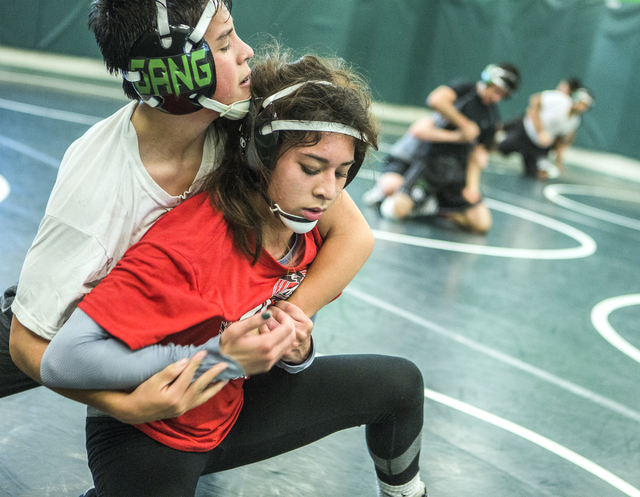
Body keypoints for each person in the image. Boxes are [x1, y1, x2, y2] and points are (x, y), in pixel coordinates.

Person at [39, 49, 428, 497]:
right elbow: (62, 361)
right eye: (311, 168)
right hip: (152, 431)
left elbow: (354, 242)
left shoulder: (302, 217)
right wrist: (219, 356)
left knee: (400, 385)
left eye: (343, 173)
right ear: (261, 155)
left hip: (229, 406)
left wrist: (293, 342)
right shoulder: (190, 246)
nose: (327, 190)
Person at [4, 0, 375, 423]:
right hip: (79, 311)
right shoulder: (96, 190)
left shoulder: (246, 122)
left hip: (177, 318)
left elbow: (353, 236)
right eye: (223, 43)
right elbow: (28, 344)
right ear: (177, 67)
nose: (246, 50)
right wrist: (122, 406)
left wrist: (278, 323)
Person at [363, 63, 520, 233]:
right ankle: (390, 196)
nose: (497, 98)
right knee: (391, 194)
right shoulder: (461, 96)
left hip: (452, 172)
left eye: (502, 96)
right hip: (422, 161)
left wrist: (472, 187)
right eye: (496, 92)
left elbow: (478, 155)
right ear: (488, 80)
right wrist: (462, 128)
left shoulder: (490, 117)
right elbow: (432, 106)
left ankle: (433, 207)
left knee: (481, 224)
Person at [497, 78, 594, 179]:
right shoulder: (560, 100)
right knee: (500, 148)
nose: (582, 107)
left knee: (539, 176)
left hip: (539, 147)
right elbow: (535, 100)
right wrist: (540, 132)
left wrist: (558, 161)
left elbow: (561, 141)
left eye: (585, 106)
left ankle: (528, 156)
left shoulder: (574, 121)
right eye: (582, 103)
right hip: (526, 131)